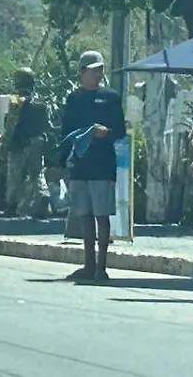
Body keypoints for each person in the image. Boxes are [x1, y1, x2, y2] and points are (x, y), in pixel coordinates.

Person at [59, 50, 125, 281]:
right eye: (93, 69)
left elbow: (120, 132)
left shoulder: (111, 97)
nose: (98, 73)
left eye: (100, 69)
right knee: (84, 215)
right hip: (80, 165)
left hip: (103, 165)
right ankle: (88, 264)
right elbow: (65, 133)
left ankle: (101, 268)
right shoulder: (73, 99)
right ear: (82, 72)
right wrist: (59, 162)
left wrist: (105, 132)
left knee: (101, 215)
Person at [3, 68, 51, 218]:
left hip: (20, 144)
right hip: (38, 142)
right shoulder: (41, 101)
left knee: (14, 175)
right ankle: (43, 196)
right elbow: (47, 125)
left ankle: (10, 205)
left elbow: (11, 123)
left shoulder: (16, 101)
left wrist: (5, 143)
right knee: (37, 174)